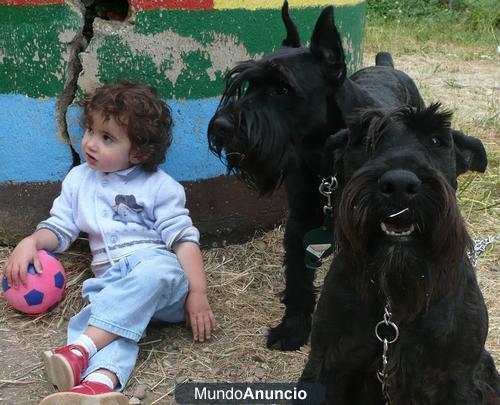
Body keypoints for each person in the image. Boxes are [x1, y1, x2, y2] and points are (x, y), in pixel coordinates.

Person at [2, 81, 217, 405]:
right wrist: (31, 241)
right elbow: (60, 228)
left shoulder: (160, 186)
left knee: (153, 272)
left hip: (160, 282)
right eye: (89, 129)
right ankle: (99, 385)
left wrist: (197, 294)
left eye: (107, 138)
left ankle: (81, 348)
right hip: (114, 286)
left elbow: (184, 240)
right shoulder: (78, 180)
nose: (90, 143)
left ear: (138, 151)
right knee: (107, 311)